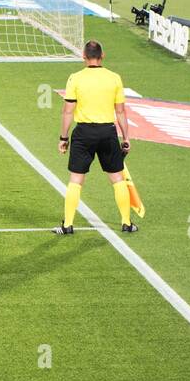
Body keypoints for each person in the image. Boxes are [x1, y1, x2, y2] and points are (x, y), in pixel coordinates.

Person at [54, 40, 136, 235]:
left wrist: (63, 138)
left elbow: (67, 111)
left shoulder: (75, 78)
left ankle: (68, 225)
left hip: (84, 134)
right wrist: (126, 138)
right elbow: (121, 112)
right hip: (107, 133)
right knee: (117, 178)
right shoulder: (114, 78)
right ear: (102, 56)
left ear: (84, 56)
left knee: (76, 179)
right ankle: (126, 223)